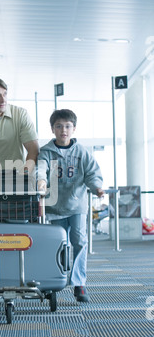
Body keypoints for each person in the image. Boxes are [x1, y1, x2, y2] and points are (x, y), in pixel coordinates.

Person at [37, 109, 105, 303]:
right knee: (56, 245)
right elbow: (41, 169)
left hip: (77, 206)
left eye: (67, 126)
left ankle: (78, 283)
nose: (63, 130)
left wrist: (97, 188)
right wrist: (41, 182)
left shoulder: (82, 152)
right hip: (54, 208)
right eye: (59, 126)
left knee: (80, 243)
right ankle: (54, 280)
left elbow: (92, 173)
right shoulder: (46, 152)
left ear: (73, 128)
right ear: (52, 129)